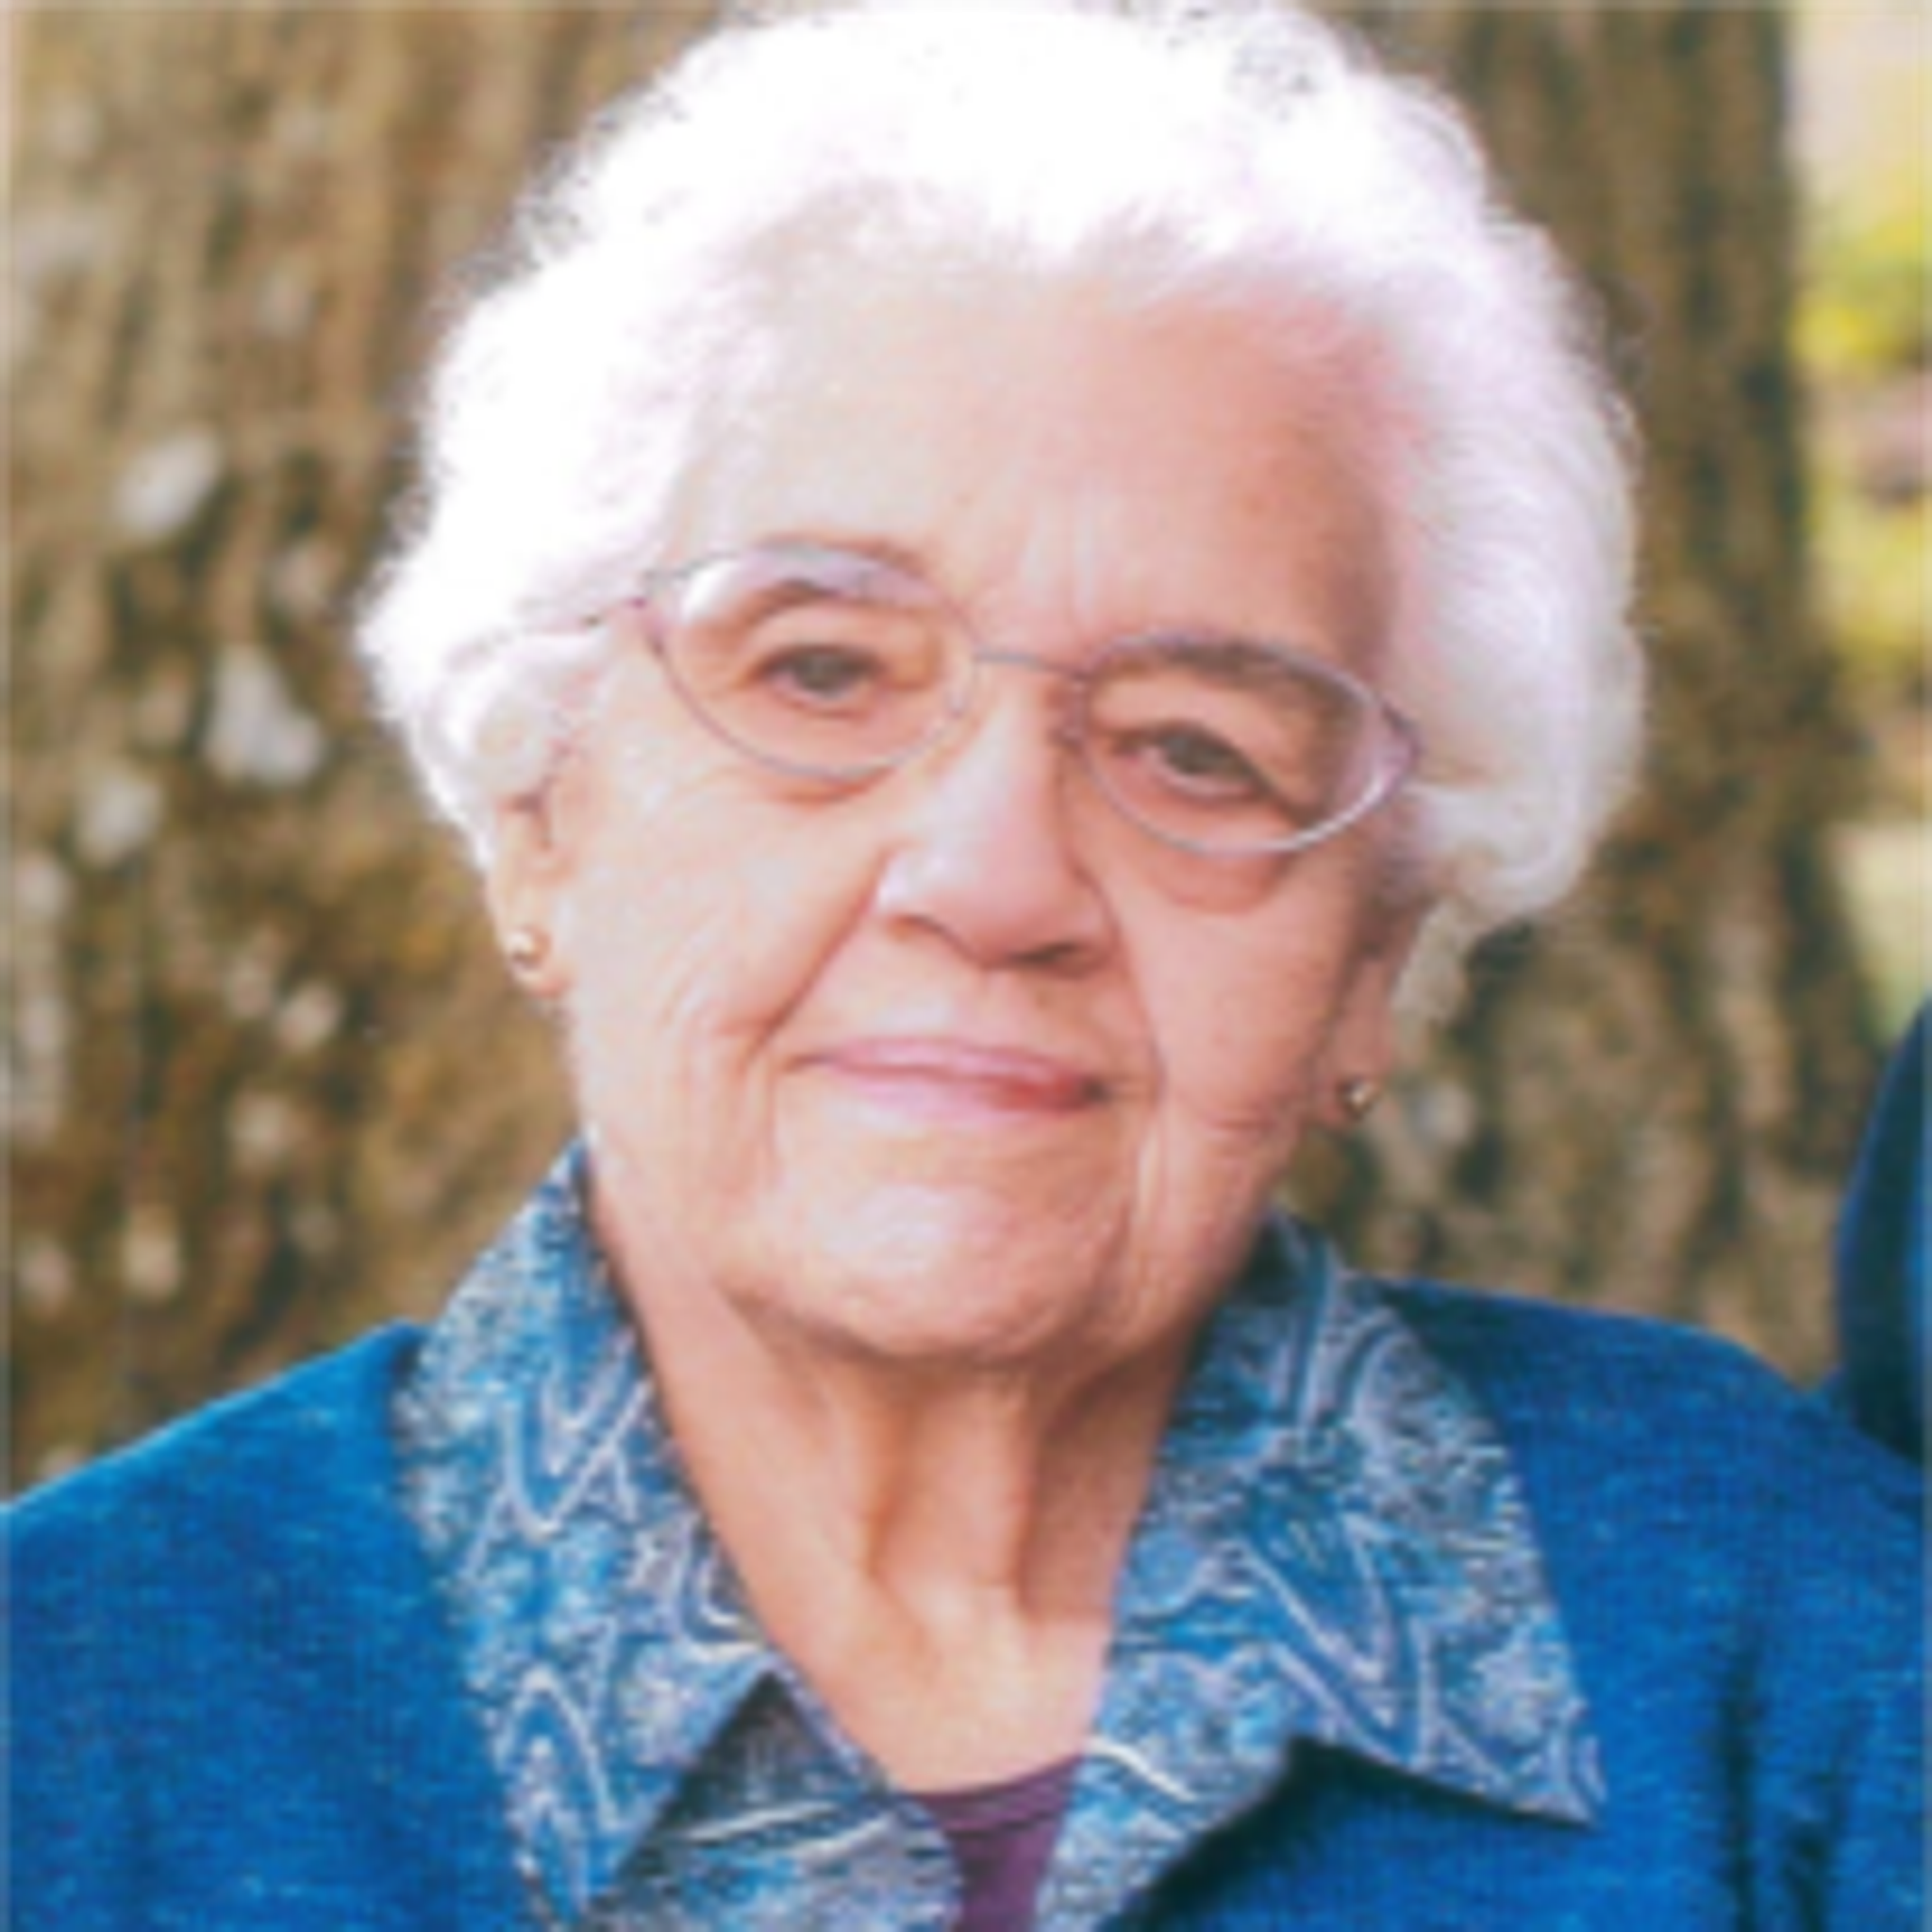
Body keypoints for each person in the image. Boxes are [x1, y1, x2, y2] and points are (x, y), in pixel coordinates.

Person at [4, 4, 1927, 1926]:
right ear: (538, 812)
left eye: (1198, 751)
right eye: (820, 672)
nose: (995, 877)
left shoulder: (1784, 1646)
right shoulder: (69, 1726)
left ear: (1377, 951)